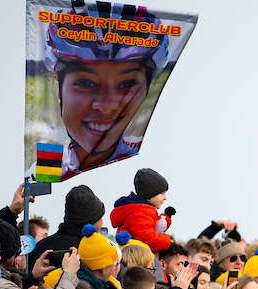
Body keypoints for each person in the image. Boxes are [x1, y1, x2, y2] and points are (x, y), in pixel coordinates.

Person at [43, 5, 168, 177]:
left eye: (127, 84)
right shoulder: (43, 166)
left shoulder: (148, 160)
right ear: (58, 88)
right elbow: (43, 181)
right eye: (85, 83)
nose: (106, 106)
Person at [111, 168, 175, 252]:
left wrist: (165, 219)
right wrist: (168, 241)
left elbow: (148, 227)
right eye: (162, 194)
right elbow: (147, 239)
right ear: (149, 194)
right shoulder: (141, 212)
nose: (165, 198)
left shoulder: (141, 210)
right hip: (137, 257)